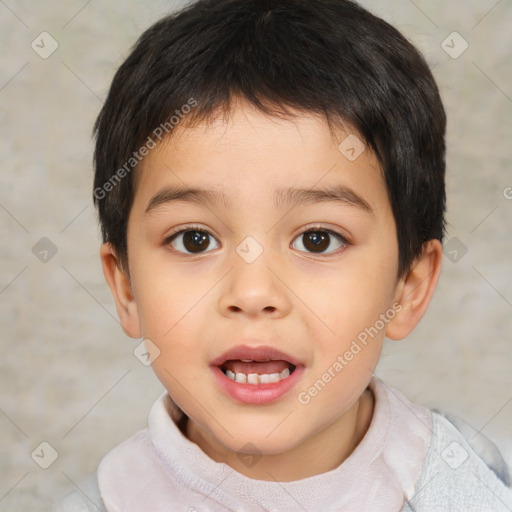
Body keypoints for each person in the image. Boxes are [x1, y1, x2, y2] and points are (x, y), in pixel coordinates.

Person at [55, 0, 512, 510]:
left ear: (408, 286)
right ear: (126, 287)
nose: (253, 294)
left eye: (318, 239)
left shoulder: (476, 483)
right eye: (195, 240)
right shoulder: (101, 501)